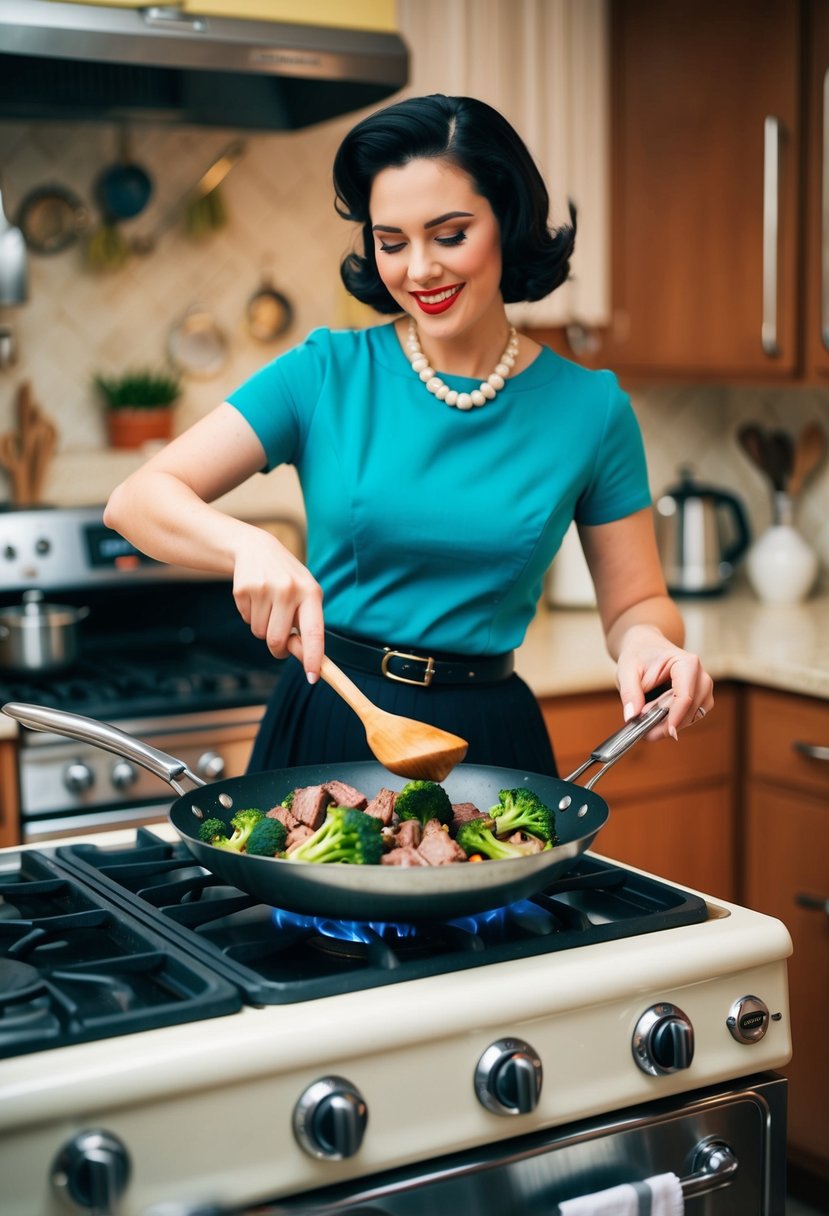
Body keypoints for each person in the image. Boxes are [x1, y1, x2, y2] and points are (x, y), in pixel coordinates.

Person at [104, 93, 713, 777]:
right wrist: (247, 545)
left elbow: (635, 603)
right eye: (391, 242)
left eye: (449, 235)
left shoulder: (591, 409)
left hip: (492, 737)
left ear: (505, 221)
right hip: (334, 720)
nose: (418, 269)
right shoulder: (325, 372)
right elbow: (136, 500)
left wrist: (648, 647)